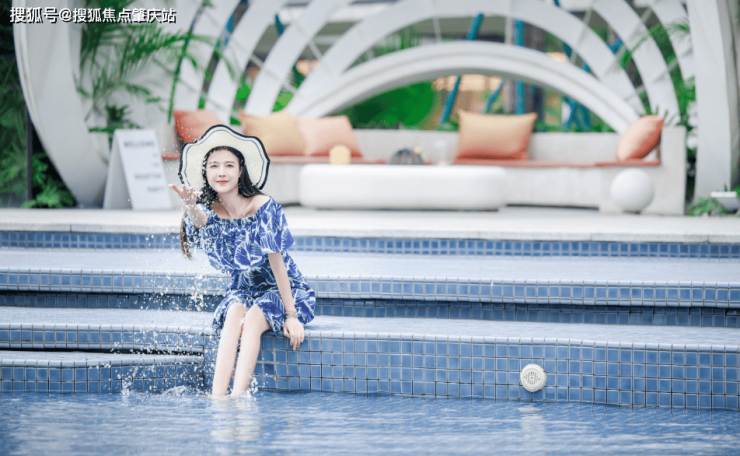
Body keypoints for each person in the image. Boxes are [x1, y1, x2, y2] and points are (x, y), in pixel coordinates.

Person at [168, 125, 315, 397]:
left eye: (229, 165)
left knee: (256, 315)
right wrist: (188, 205)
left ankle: (238, 397)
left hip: (282, 291)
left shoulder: (264, 206)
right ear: (205, 172)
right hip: (244, 291)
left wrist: (292, 315)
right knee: (235, 311)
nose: (221, 172)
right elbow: (200, 222)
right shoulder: (210, 211)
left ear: (240, 171)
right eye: (214, 166)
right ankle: (218, 398)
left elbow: (278, 263)